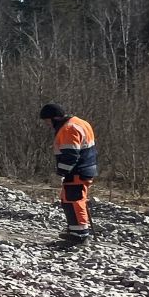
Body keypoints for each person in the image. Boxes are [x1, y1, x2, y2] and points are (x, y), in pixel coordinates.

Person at [39, 103, 98, 244]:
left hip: (77, 171)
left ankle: (80, 235)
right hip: (85, 168)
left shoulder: (68, 129)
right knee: (69, 200)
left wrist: (60, 173)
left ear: (55, 118)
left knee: (74, 201)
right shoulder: (80, 122)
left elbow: (70, 156)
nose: (47, 124)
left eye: (47, 121)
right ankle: (75, 231)